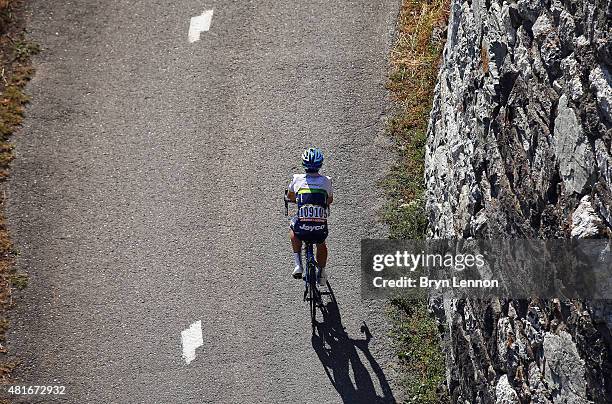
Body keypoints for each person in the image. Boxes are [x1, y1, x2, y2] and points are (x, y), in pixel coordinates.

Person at [286, 147, 333, 285]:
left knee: (293, 228)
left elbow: (290, 196)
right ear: (320, 164)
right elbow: (329, 200)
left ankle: (298, 264)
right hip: (319, 228)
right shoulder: (326, 181)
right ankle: (322, 273)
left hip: (303, 227)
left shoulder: (297, 179)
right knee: (321, 243)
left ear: (303, 165)